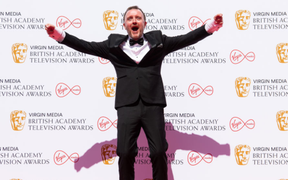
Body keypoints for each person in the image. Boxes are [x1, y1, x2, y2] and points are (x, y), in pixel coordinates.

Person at [45, 5, 223, 180]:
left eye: (137, 18)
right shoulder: (113, 46)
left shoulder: (159, 42)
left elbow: (186, 39)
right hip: (127, 106)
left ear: (145, 23)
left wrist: (210, 27)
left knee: (159, 151)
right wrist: (60, 36)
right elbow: (86, 46)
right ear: (124, 25)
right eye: (130, 18)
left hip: (153, 104)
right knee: (125, 152)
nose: (134, 21)